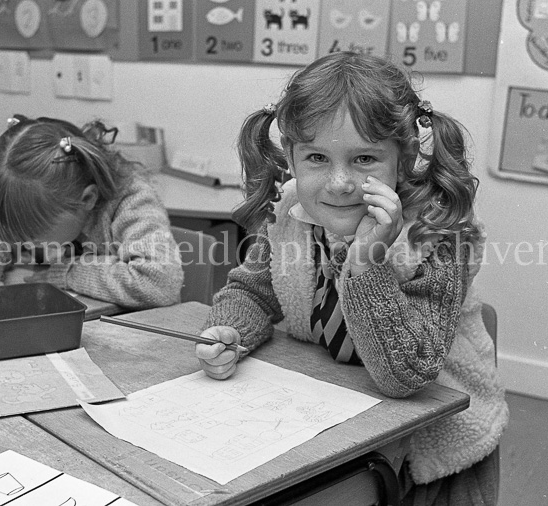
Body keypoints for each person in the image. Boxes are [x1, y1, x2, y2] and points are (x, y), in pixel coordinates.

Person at [194, 52, 508, 505]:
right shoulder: (290, 215)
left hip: (432, 456)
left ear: (402, 161)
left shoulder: (435, 233)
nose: (340, 183)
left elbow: (408, 375)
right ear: (292, 160)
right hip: (332, 421)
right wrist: (232, 331)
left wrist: (365, 263)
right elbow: (251, 291)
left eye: (364, 158)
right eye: (317, 157)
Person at [0, 115, 183, 309]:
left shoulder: (132, 201)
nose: (21, 243)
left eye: (31, 236)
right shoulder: (41, 202)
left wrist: (69, 272)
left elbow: (160, 283)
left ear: (87, 199)